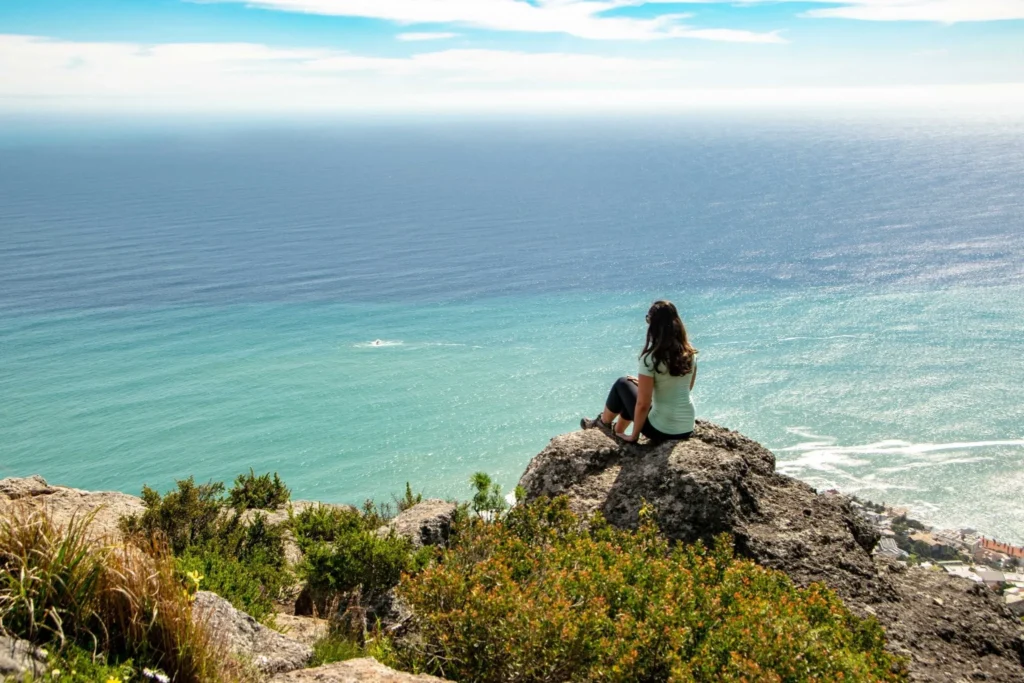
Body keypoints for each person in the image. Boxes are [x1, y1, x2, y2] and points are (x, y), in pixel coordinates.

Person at [581, 300, 697, 444]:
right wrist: (644, 386)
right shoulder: (690, 354)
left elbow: (643, 404)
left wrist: (634, 436)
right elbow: (684, 389)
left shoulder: (650, 359)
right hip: (686, 427)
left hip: (662, 430)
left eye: (648, 319)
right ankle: (617, 430)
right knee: (631, 388)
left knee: (622, 383)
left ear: (653, 325)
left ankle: (602, 423)